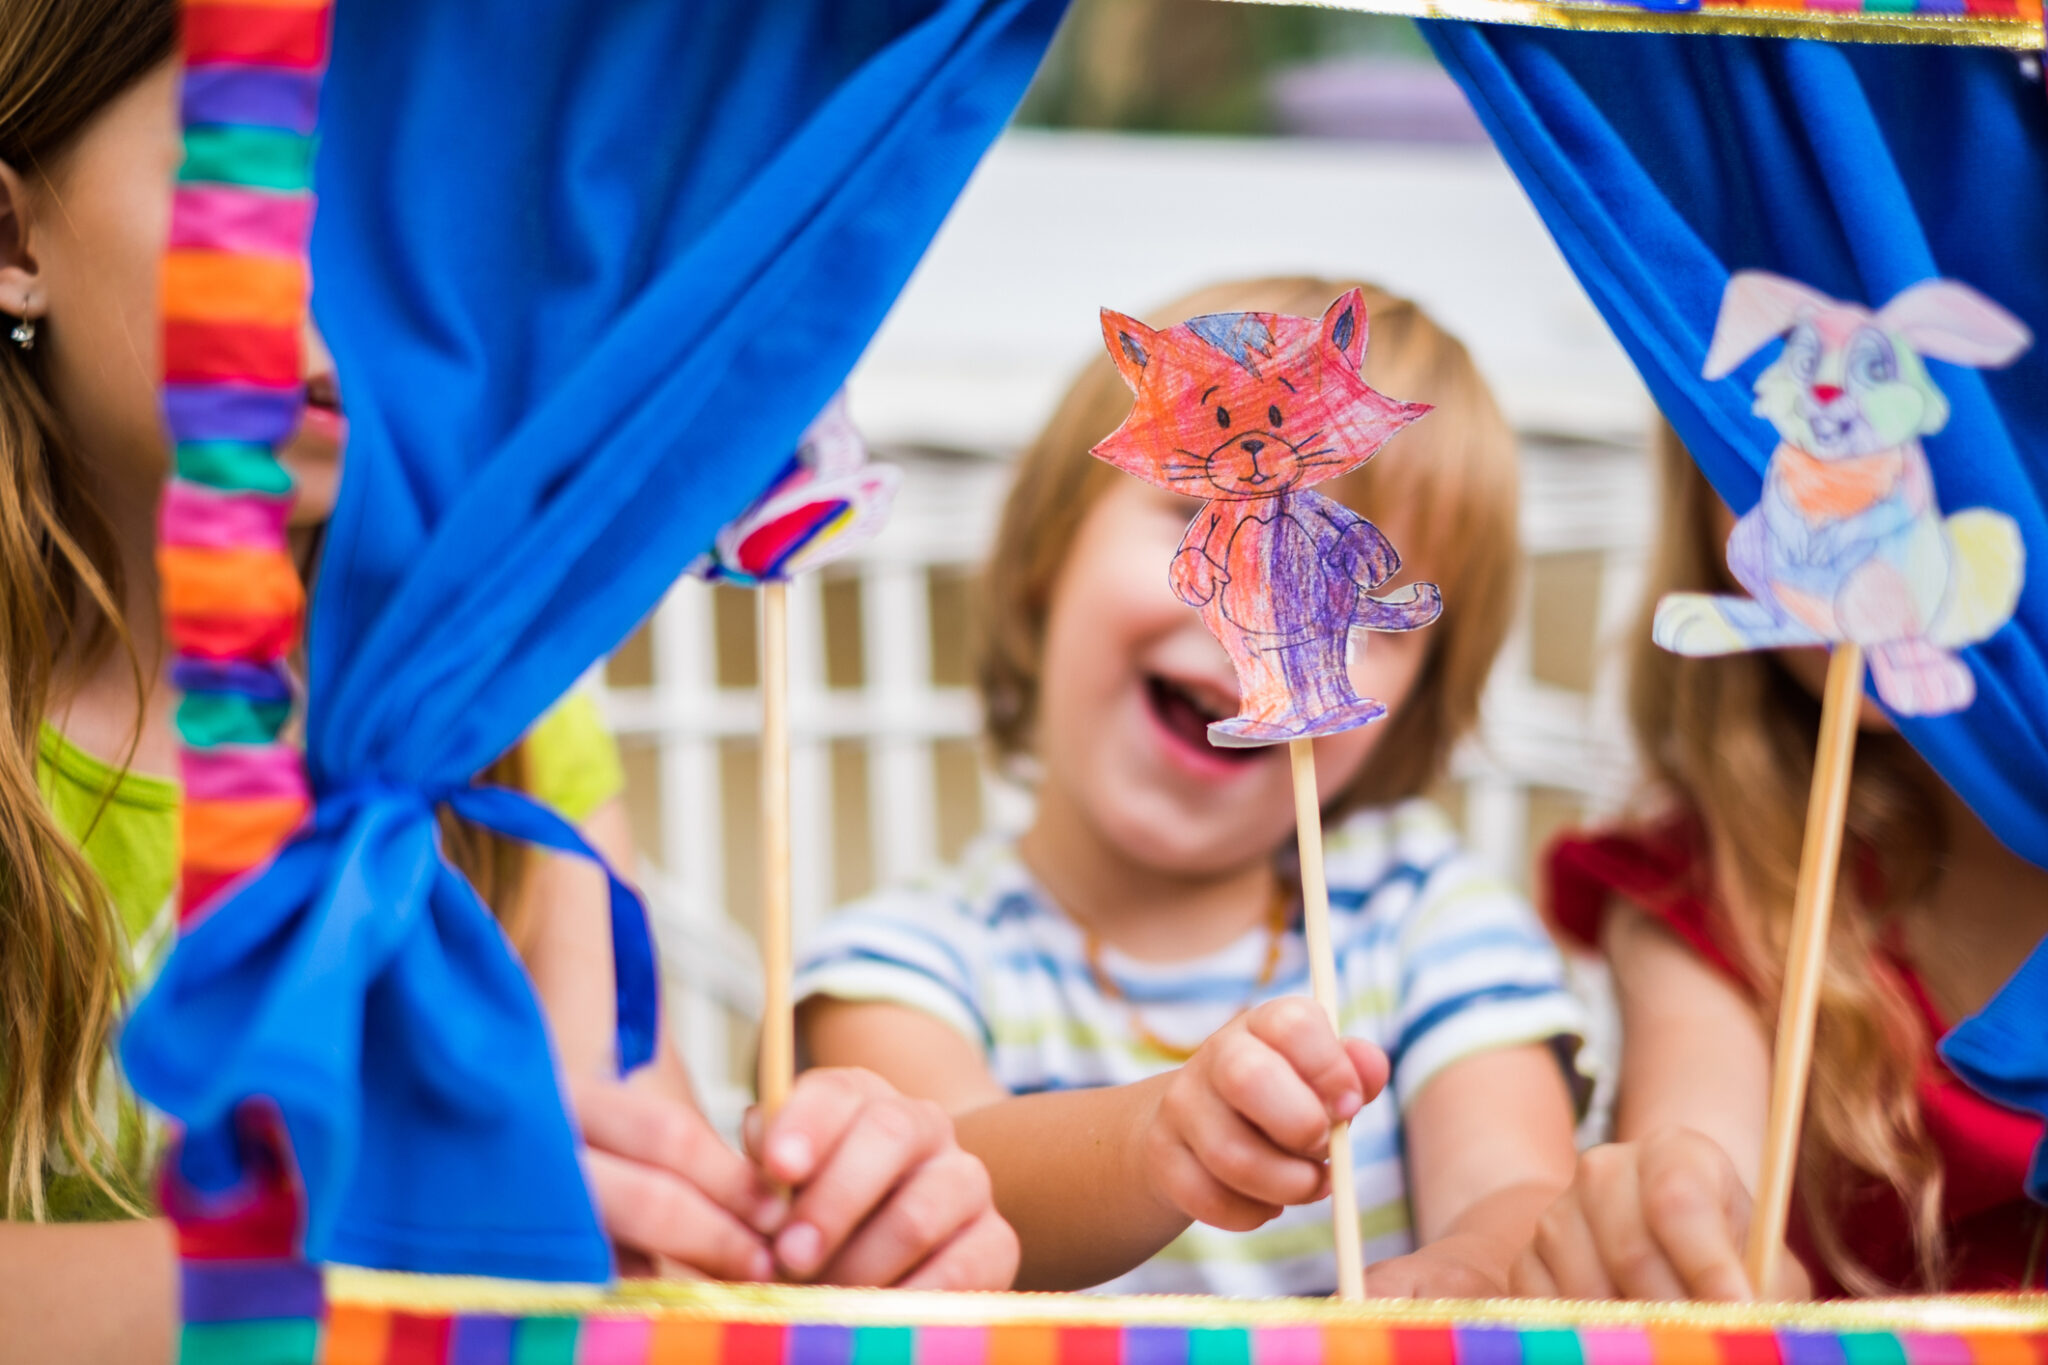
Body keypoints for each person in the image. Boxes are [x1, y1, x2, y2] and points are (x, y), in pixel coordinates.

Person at [0, 8, 1012, 1359]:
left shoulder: (507, 715)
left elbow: (604, 1197)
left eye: (449, 188)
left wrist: (788, 1228)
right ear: (16, 243)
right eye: (270, 165)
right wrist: (351, 1270)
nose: (379, 273)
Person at [797, 276, 1588, 1297]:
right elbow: (947, 1185)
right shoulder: (902, 960)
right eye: (1196, 504)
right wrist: (1157, 1137)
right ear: (1048, 556)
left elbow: (1514, 1188)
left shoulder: (1427, 919)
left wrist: (1474, 1273)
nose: (1257, 604)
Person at [1513, 424, 2048, 1302]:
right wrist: (1678, 1226)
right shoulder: (1708, 892)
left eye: (1919, 433)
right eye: (1773, 438)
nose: (1838, 507)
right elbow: (1701, 1149)